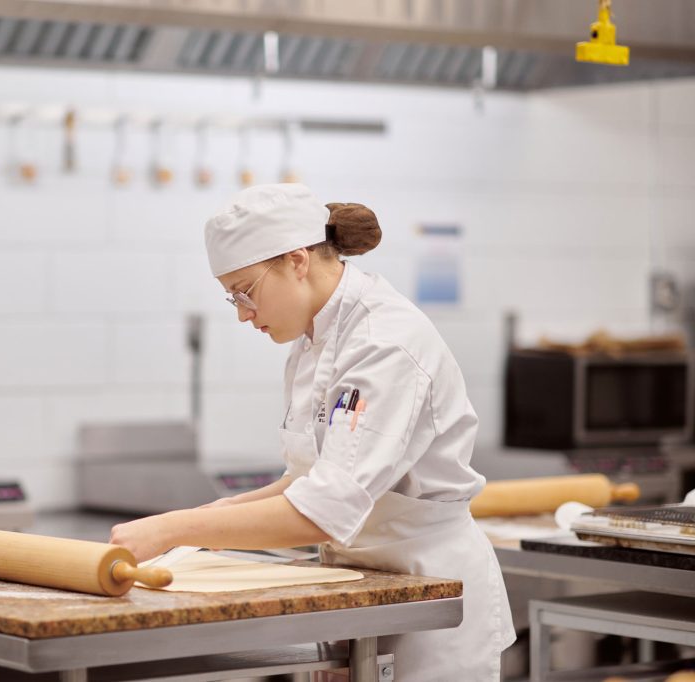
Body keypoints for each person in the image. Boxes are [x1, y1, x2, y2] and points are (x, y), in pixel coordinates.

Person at [109, 183, 514, 680]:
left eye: (245, 291)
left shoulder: (383, 344)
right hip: (361, 584)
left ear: (297, 261)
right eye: (230, 296)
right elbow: (310, 479)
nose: (241, 313)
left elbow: (324, 508)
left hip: (429, 592)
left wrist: (174, 529)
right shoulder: (314, 341)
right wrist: (210, 517)